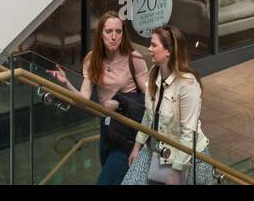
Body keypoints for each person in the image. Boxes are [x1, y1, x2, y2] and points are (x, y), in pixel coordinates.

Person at [48, 11, 148, 186]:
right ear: (101, 34)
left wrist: (139, 143)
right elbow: (84, 100)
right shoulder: (92, 59)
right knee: (113, 177)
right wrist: (66, 83)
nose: (114, 36)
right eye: (109, 31)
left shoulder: (134, 59)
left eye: (118, 31)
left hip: (128, 131)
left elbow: (150, 100)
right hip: (106, 127)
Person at [122, 24, 213, 185]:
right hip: (157, 150)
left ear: (169, 51)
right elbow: (148, 115)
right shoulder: (153, 73)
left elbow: (188, 133)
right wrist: (137, 146)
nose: (149, 49)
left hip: (188, 159)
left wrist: (176, 171)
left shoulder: (187, 84)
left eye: (154, 45)